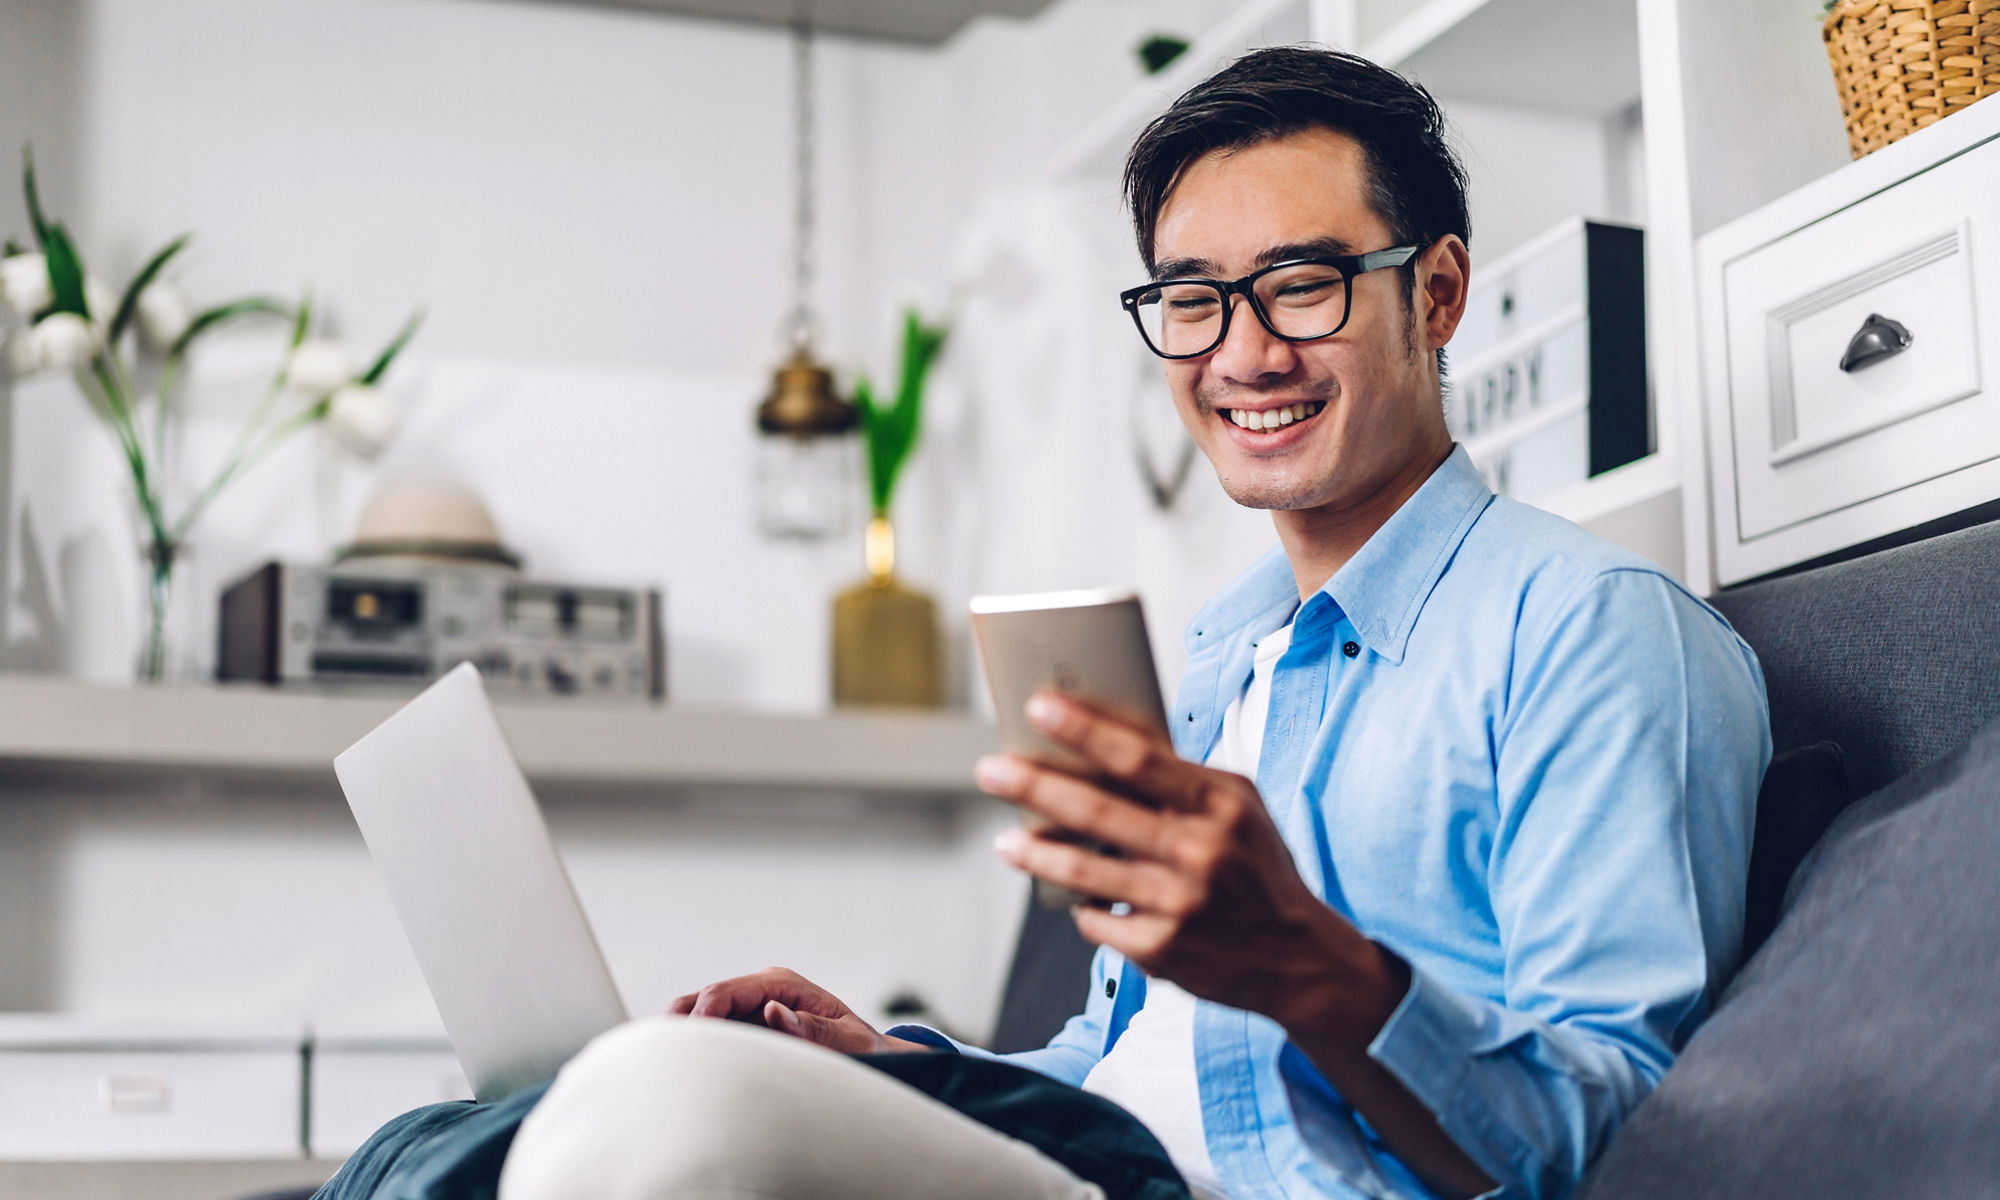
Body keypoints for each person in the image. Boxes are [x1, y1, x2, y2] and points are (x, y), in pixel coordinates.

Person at [496, 46, 1769, 1200]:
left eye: (1303, 284)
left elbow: (1615, 1144)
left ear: (1435, 295)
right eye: (1193, 299)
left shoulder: (1592, 631)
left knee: (653, 1113)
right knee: (508, 1120)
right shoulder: (1228, 655)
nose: (1243, 354)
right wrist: (898, 1068)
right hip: (1101, 1173)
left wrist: (1303, 962)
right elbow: (1123, 1069)